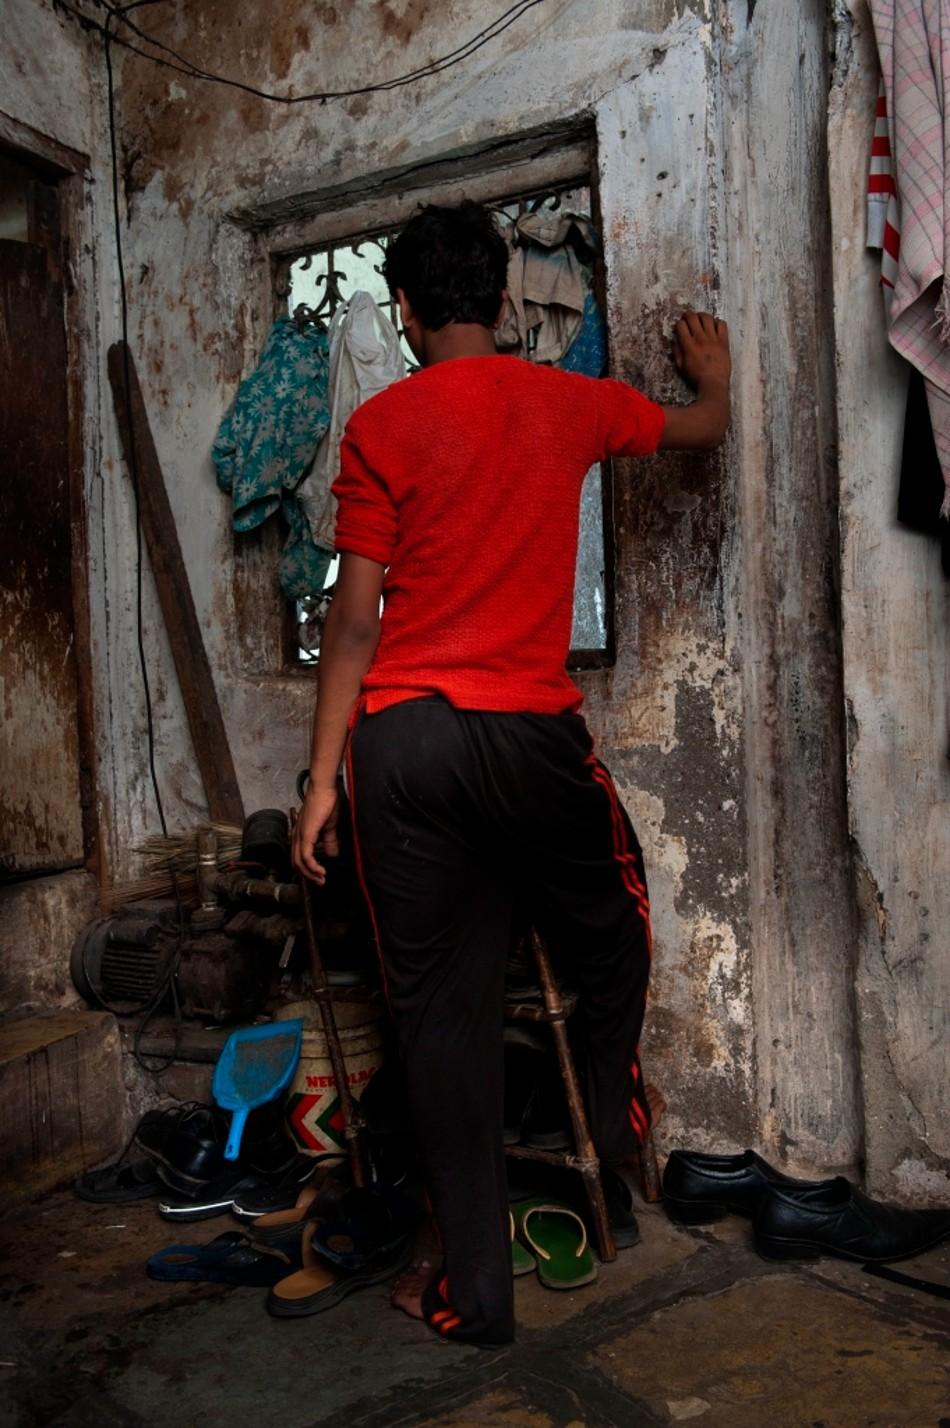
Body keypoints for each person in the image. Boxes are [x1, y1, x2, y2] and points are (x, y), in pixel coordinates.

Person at [291, 201, 731, 1347]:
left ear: (402, 314)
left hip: (401, 747)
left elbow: (351, 618)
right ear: (498, 302)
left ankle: (469, 1293)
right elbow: (697, 432)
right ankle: (613, 1128)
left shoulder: (381, 425)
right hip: (525, 738)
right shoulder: (570, 402)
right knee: (613, 923)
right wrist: (714, 379)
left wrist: (321, 782)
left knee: (436, 1012)